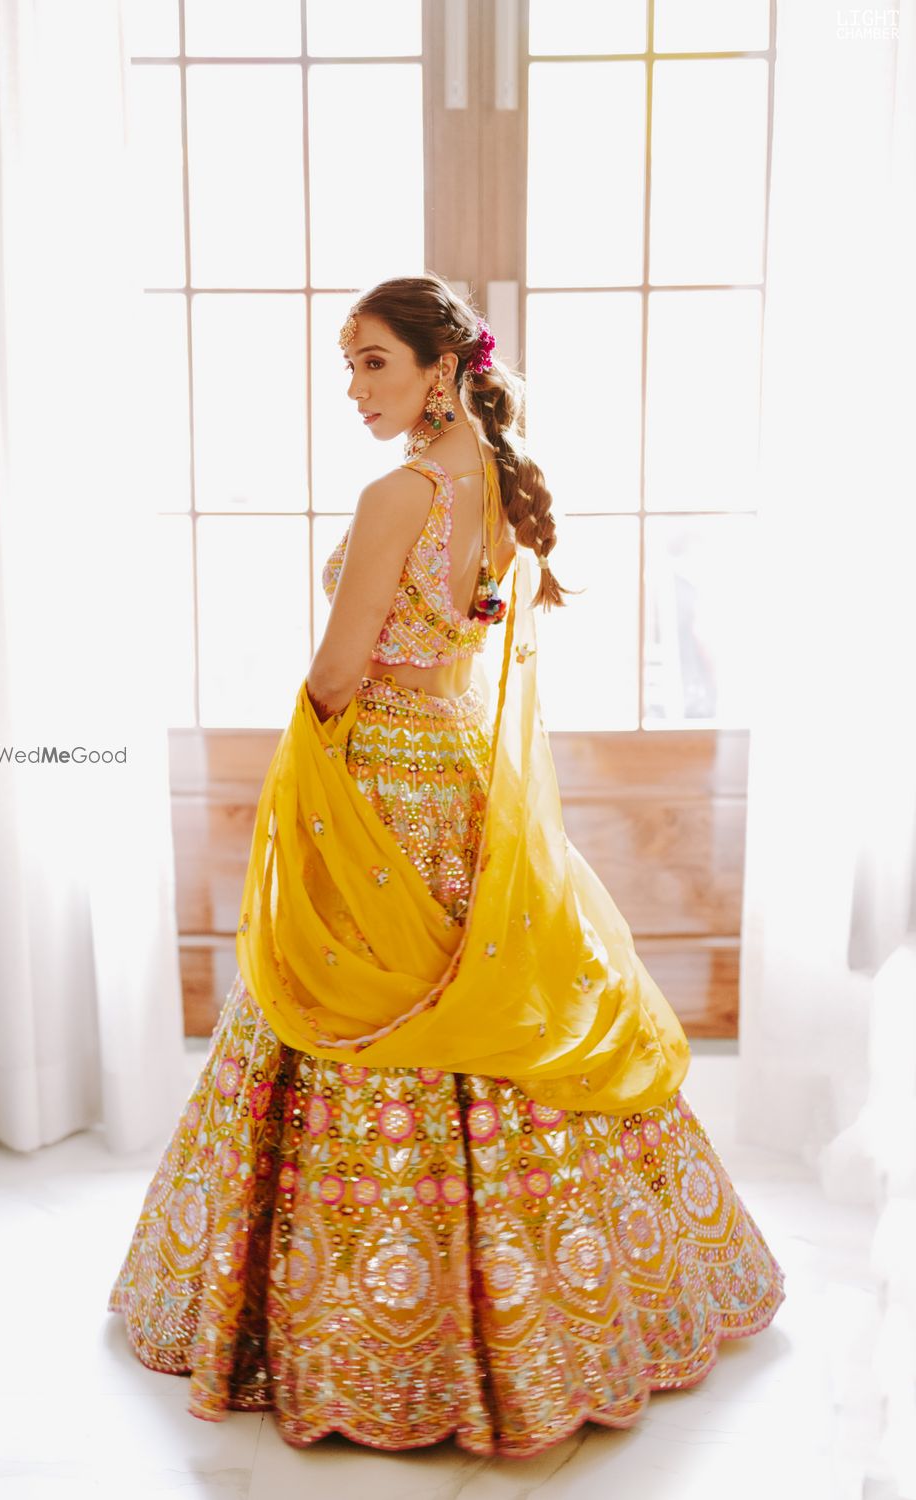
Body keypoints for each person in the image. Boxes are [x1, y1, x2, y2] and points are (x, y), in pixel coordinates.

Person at [107, 272, 786, 1458]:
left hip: (377, 781)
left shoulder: (401, 492)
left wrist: (308, 753)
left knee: (348, 1007)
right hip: (468, 783)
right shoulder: (503, 486)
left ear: (438, 368)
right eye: (345, 363)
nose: (353, 387)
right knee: (502, 1000)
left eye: (372, 360)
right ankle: (572, 1309)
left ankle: (377, 1332)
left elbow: (335, 671)